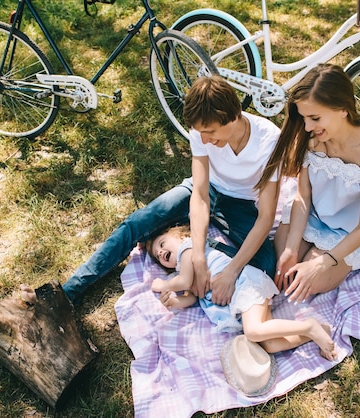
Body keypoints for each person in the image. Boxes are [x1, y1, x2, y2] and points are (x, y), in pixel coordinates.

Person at [62, 76, 280, 305]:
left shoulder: (269, 140)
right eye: (200, 133)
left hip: (240, 203)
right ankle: (69, 292)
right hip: (200, 192)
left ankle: (188, 242)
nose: (204, 139)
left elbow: (266, 218)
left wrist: (231, 271)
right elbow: (200, 192)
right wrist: (197, 259)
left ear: (234, 117)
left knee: (266, 264)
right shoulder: (201, 128)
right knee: (137, 223)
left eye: (211, 132)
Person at [256, 64, 360, 304]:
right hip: (311, 214)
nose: (306, 128)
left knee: (307, 281)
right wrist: (292, 248)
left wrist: (322, 263)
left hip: (348, 231)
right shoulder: (312, 137)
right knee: (278, 266)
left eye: (314, 118)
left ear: (343, 108)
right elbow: (303, 196)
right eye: (304, 118)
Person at [147, 225, 337, 360]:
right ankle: (319, 331)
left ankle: (308, 326)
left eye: (162, 243)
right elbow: (191, 296)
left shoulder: (188, 249)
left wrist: (162, 285)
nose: (161, 251)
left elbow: (185, 281)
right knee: (270, 344)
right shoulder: (181, 270)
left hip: (245, 285)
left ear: (180, 236)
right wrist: (175, 303)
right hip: (242, 300)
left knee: (253, 332)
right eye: (158, 255)